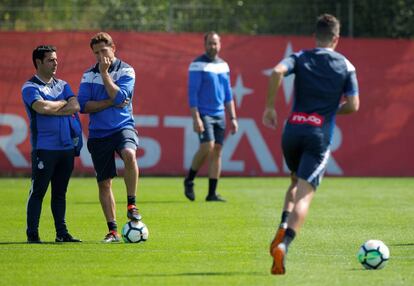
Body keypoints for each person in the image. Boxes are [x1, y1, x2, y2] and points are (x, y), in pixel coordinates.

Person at [262, 14, 360, 275]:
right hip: (317, 134)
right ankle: (284, 244)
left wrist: (270, 107)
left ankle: (283, 224)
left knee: (294, 181)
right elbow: (353, 105)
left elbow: (276, 72)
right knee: (305, 192)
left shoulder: (301, 56)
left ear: (315, 36)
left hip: (291, 131)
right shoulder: (346, 66)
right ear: (336, 38)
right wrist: (330, 111)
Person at [78, 32, 141, 243]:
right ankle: (113, 231)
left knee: (129, 155)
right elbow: (84, 105)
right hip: (98, 134)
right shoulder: (88, 75)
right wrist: (111, 101)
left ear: (113, 47)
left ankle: (132, 204)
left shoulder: (127, 70)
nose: (100, 56)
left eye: (103, 50)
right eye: (96, 53)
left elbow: (122, 97)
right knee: (104, 184)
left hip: (123, 126)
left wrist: (105, 76)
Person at [22, 45, 82, 243]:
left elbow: (75, 106)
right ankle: (33, 233)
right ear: (39, 62)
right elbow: (41, 107)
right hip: (44, 149)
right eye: (50, 60)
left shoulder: (62, 84)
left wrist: (54, 106)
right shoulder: (30, 87)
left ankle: (61, 233)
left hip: (65, 148)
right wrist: (61, 104)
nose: (55, 63)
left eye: (56, 59)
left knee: (60, 193)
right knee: (38, 191)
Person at [184, 31, 238, 202]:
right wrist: (196, 118)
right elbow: (192, 94)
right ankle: (190, 179)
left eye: (215, 43)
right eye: (210, 43)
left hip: (220, 114)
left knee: (217, 152)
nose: (213, 46)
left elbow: (228, 93)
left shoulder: (224, 65)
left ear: (220, 44)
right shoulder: (197, 65)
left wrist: (233, 118)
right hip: (204, 113)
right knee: (208, 146)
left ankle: (212, 193)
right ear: (204, 44)